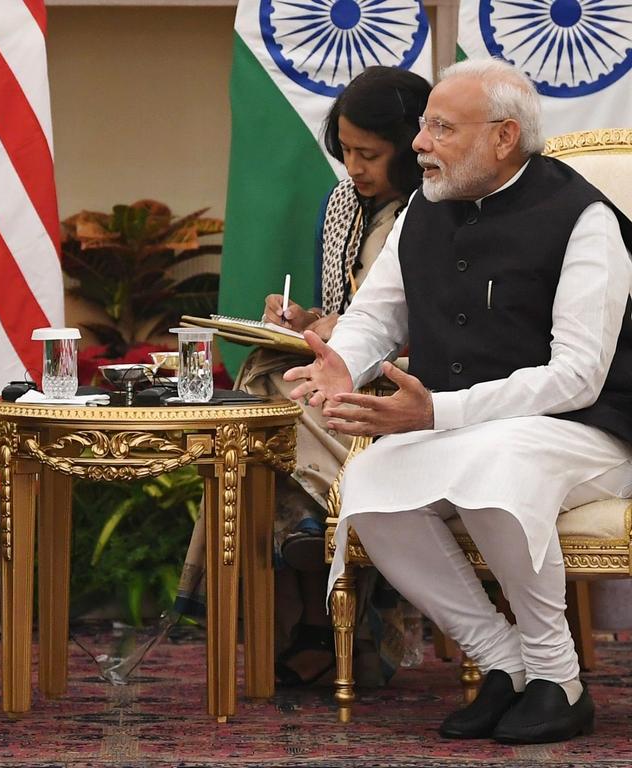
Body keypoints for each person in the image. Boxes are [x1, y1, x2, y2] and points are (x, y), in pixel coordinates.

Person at [287, 57, 632, 744]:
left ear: (504, 138)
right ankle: (502, 662)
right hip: (473, 430)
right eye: (423, 128)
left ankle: (557, 680)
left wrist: (437, 413)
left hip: (589, 431)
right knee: (372, 481)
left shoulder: (584, 219)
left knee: (497, 463)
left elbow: (577, 379)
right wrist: (340, 364)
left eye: (441, 128)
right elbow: (376, 316)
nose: (420, 144)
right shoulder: (426, 206)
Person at [174, 66, 431, 688]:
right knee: (275, 380)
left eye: (369, 154)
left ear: (411, 145)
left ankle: (307, 550)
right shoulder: (347, 204)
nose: (354, 167)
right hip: (343, 374)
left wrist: (339, 334)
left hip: (418, 389)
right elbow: (355, 309)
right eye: (344, 151)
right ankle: (310, 556)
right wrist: (305, 320)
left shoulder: (439, 208)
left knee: (265, 406)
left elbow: (425, 321)